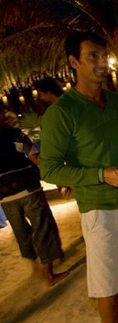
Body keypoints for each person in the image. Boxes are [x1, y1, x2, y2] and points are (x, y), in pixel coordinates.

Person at [39, 31, 118, 323]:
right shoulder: (62, 112)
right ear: (73, 61)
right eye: (92, 55)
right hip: (99, 210)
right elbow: (49, 169)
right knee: (108, 286)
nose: (102, 62)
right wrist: (100, 174)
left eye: (103, 55)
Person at [0, 111, 68, 286]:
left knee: (21, 232)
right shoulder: (15, 135)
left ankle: (34, 265)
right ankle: (49, 274)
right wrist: (56, 179)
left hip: (5, 196)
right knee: (43, 227)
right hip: (28, 188)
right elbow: (35, 158)